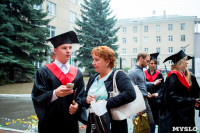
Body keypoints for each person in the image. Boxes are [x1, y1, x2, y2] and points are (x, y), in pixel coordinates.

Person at [32, 31, 85, 133]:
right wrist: (54, 94)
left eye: (70, 47)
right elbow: (37, 96)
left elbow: (81, 94)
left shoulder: (77, 73)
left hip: (71, 123)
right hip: (50, 123)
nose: (68, 51)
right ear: (55, 50)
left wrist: (77, 105)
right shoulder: (43, 72)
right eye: (64, 48)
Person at [82, 46, 136, 133]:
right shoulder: (93, 78)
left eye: (97, 60)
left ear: (107, 61)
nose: (93, 63)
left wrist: (105, 103)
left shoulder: (119, 75)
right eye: (93, 59)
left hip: (113, 125)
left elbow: (130, 94)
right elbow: (83, 98)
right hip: (94, 123)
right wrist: (86, 100)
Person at [158, 50, 200, 133]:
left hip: (184, 116)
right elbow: (172, 98)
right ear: (180, 62)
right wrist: (191, 101)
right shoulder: (173, 77)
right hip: (176, 118)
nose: (187, 63)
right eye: (185, 61)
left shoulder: (182, 75)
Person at [128, 52, 162, 127]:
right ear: (141, 59)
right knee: (139, 125)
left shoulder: (141, 70)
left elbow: (143, 83)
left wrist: (153, 83)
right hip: (139, 102)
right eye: (147, 61)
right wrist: (137, 107)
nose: (148, 63)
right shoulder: (133, 72)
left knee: (149, 123)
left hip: (144, 100)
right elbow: (132, 89)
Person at [144, 52, 164, 133]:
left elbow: (163, 87)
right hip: (147, 100)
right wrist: (146, 93)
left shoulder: (159, 74)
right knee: (149, 119)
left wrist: (158, 93)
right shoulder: (144, 73)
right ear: (148, 64)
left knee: (157, 119)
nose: (153, 65)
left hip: (157, 101)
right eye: (151, 63)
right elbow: (142, 85)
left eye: (155, 63)